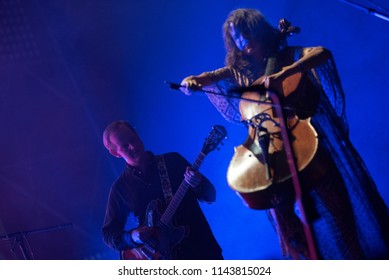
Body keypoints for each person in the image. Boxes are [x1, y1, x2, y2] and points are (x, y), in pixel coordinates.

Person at [179, 8, 389, 259]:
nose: (242, 40)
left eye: (245, 32)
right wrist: (190, 82)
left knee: (341, 217)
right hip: (271, 160)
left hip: (309, 145)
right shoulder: (238, 72)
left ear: (258, 29)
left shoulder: (287, 54)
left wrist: (286, 73)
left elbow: (321, 53)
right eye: (236, 37)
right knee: (289, 231)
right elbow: (206, 77)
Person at [101, 120, 223, 260]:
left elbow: (211, 197)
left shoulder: (173, 161)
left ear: (137, 133)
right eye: (124, 146)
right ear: (114, 153)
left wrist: (198, 182)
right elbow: (108, 234)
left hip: (202, 250)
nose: (133, 146)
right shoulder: (120, 188)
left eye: (133, 139)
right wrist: (133, 236)